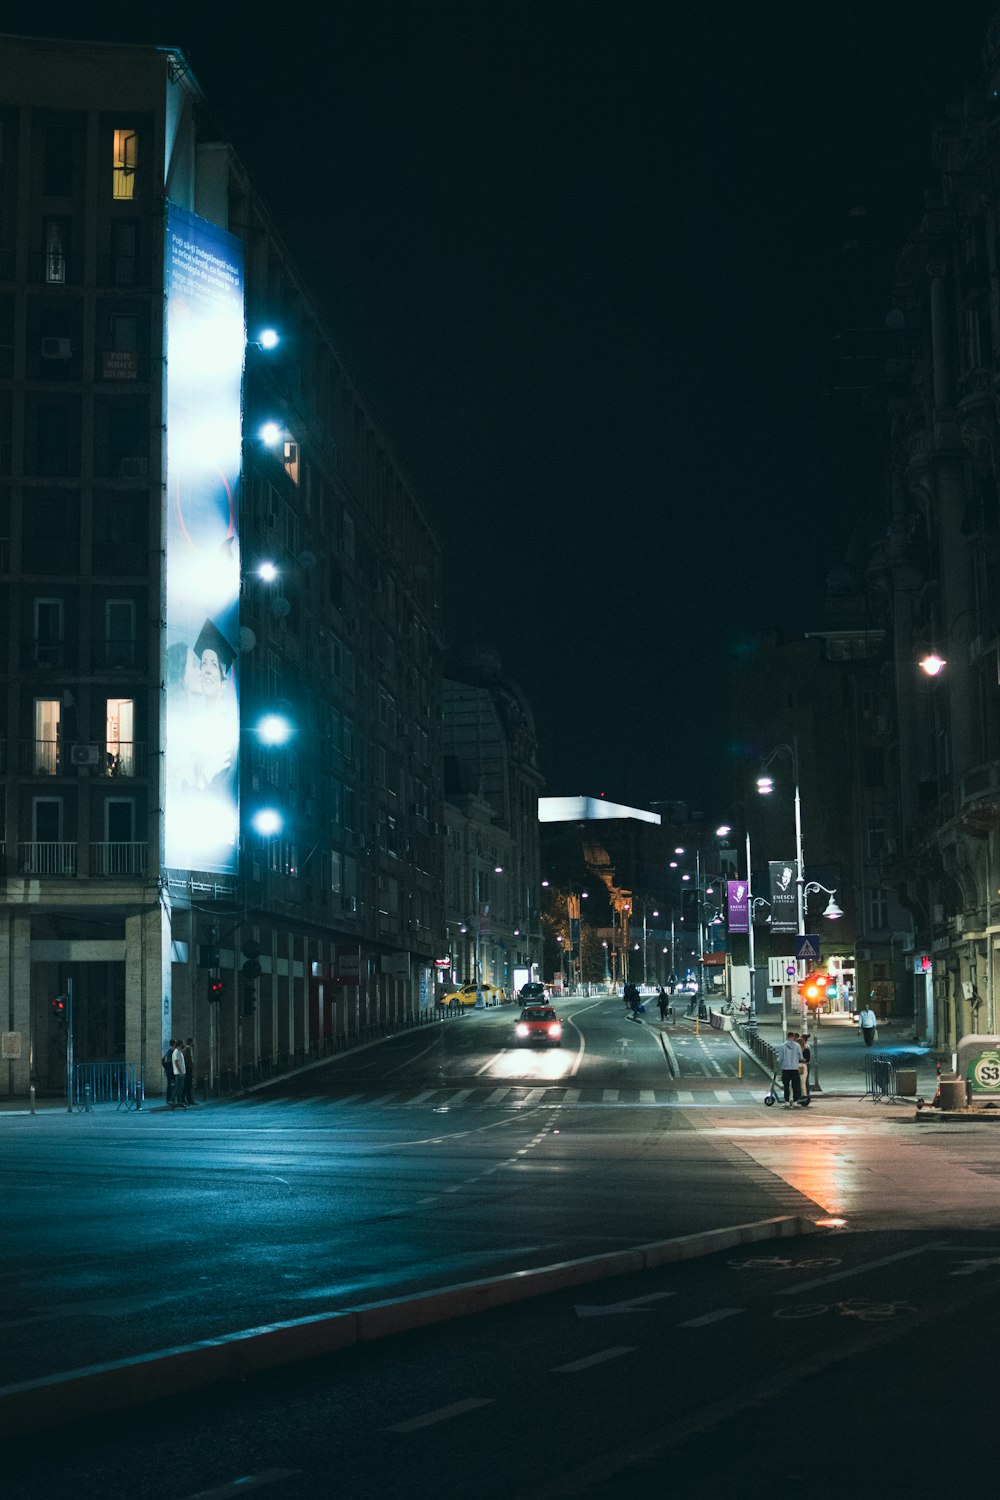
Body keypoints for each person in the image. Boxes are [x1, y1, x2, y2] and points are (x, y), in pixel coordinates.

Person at [779, 1031, 803, 1107]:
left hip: (785, 1069)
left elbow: (780, 1058)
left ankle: (786, 1101)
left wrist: (778, 1063)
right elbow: (801, 1057)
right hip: (794, 1068)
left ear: (787, 1037)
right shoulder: (797, 1046)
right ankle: (795, 1101)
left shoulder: (782, 1046)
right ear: (793, 1037)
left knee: (786, 1086)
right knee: (795, 1085)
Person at [170, 1038, 187, 1107]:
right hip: (179, 1073)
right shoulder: (176, 1052)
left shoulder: (179, 1051)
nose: (183, 1045)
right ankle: (172, 1100)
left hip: (181, 1072)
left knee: (180, 1088)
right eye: (182, 1044)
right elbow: (176, 1062)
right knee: (177, 1087)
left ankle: (179, 1101)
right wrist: (180, 1071)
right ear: (180, 1044)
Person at [798, 1033, 811, 1100]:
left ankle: (806, 1095)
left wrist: (800, 1059)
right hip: (802, 1066)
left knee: (805, 1082)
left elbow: (807, 1059)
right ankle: (803, 1095)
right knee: (803, 1081)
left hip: (805, 1066)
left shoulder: (806, 1048)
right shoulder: (802, 1048)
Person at [182, 1038, 195, 1106]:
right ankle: (188, 1099)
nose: (193, 1043)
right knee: (188, 1084)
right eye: (193, 1042)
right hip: (188, 1068)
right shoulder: (188, 1049)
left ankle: (188, 1099)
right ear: (190, 1042)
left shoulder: (186, 1049)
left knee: (188, 1084)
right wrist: (190, 1065)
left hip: (187, 1067)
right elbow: (187, 1058)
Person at [162, 1040, 175, 1106]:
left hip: (170, 1070)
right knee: (170, 1085)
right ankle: (169, 1099)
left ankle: (171, 1099)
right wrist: (173, 1060)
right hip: (170, 1070)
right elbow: (167, 1060)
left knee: (171, 1085)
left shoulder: (170, 1051)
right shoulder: (170, 1051)